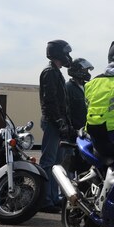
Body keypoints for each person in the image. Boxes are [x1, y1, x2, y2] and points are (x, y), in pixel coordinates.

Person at [38, 39, 73, 213]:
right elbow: (49, 100)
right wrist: (59, 121)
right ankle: (44, 199)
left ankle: (52, 198)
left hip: (57, 122)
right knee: (48, 161)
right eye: (66, 53)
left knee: (56, 163)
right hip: (53, 122)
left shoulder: (56, 72)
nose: (68, 57)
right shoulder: (49, 73)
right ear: (58, 53)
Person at [64, 57, 94, 136]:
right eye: (85, 70)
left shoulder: (88, 87)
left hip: (87, 130)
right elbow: (65, 111)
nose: (87, 73)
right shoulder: (68, 88)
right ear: (77, 71)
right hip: (75, 132)